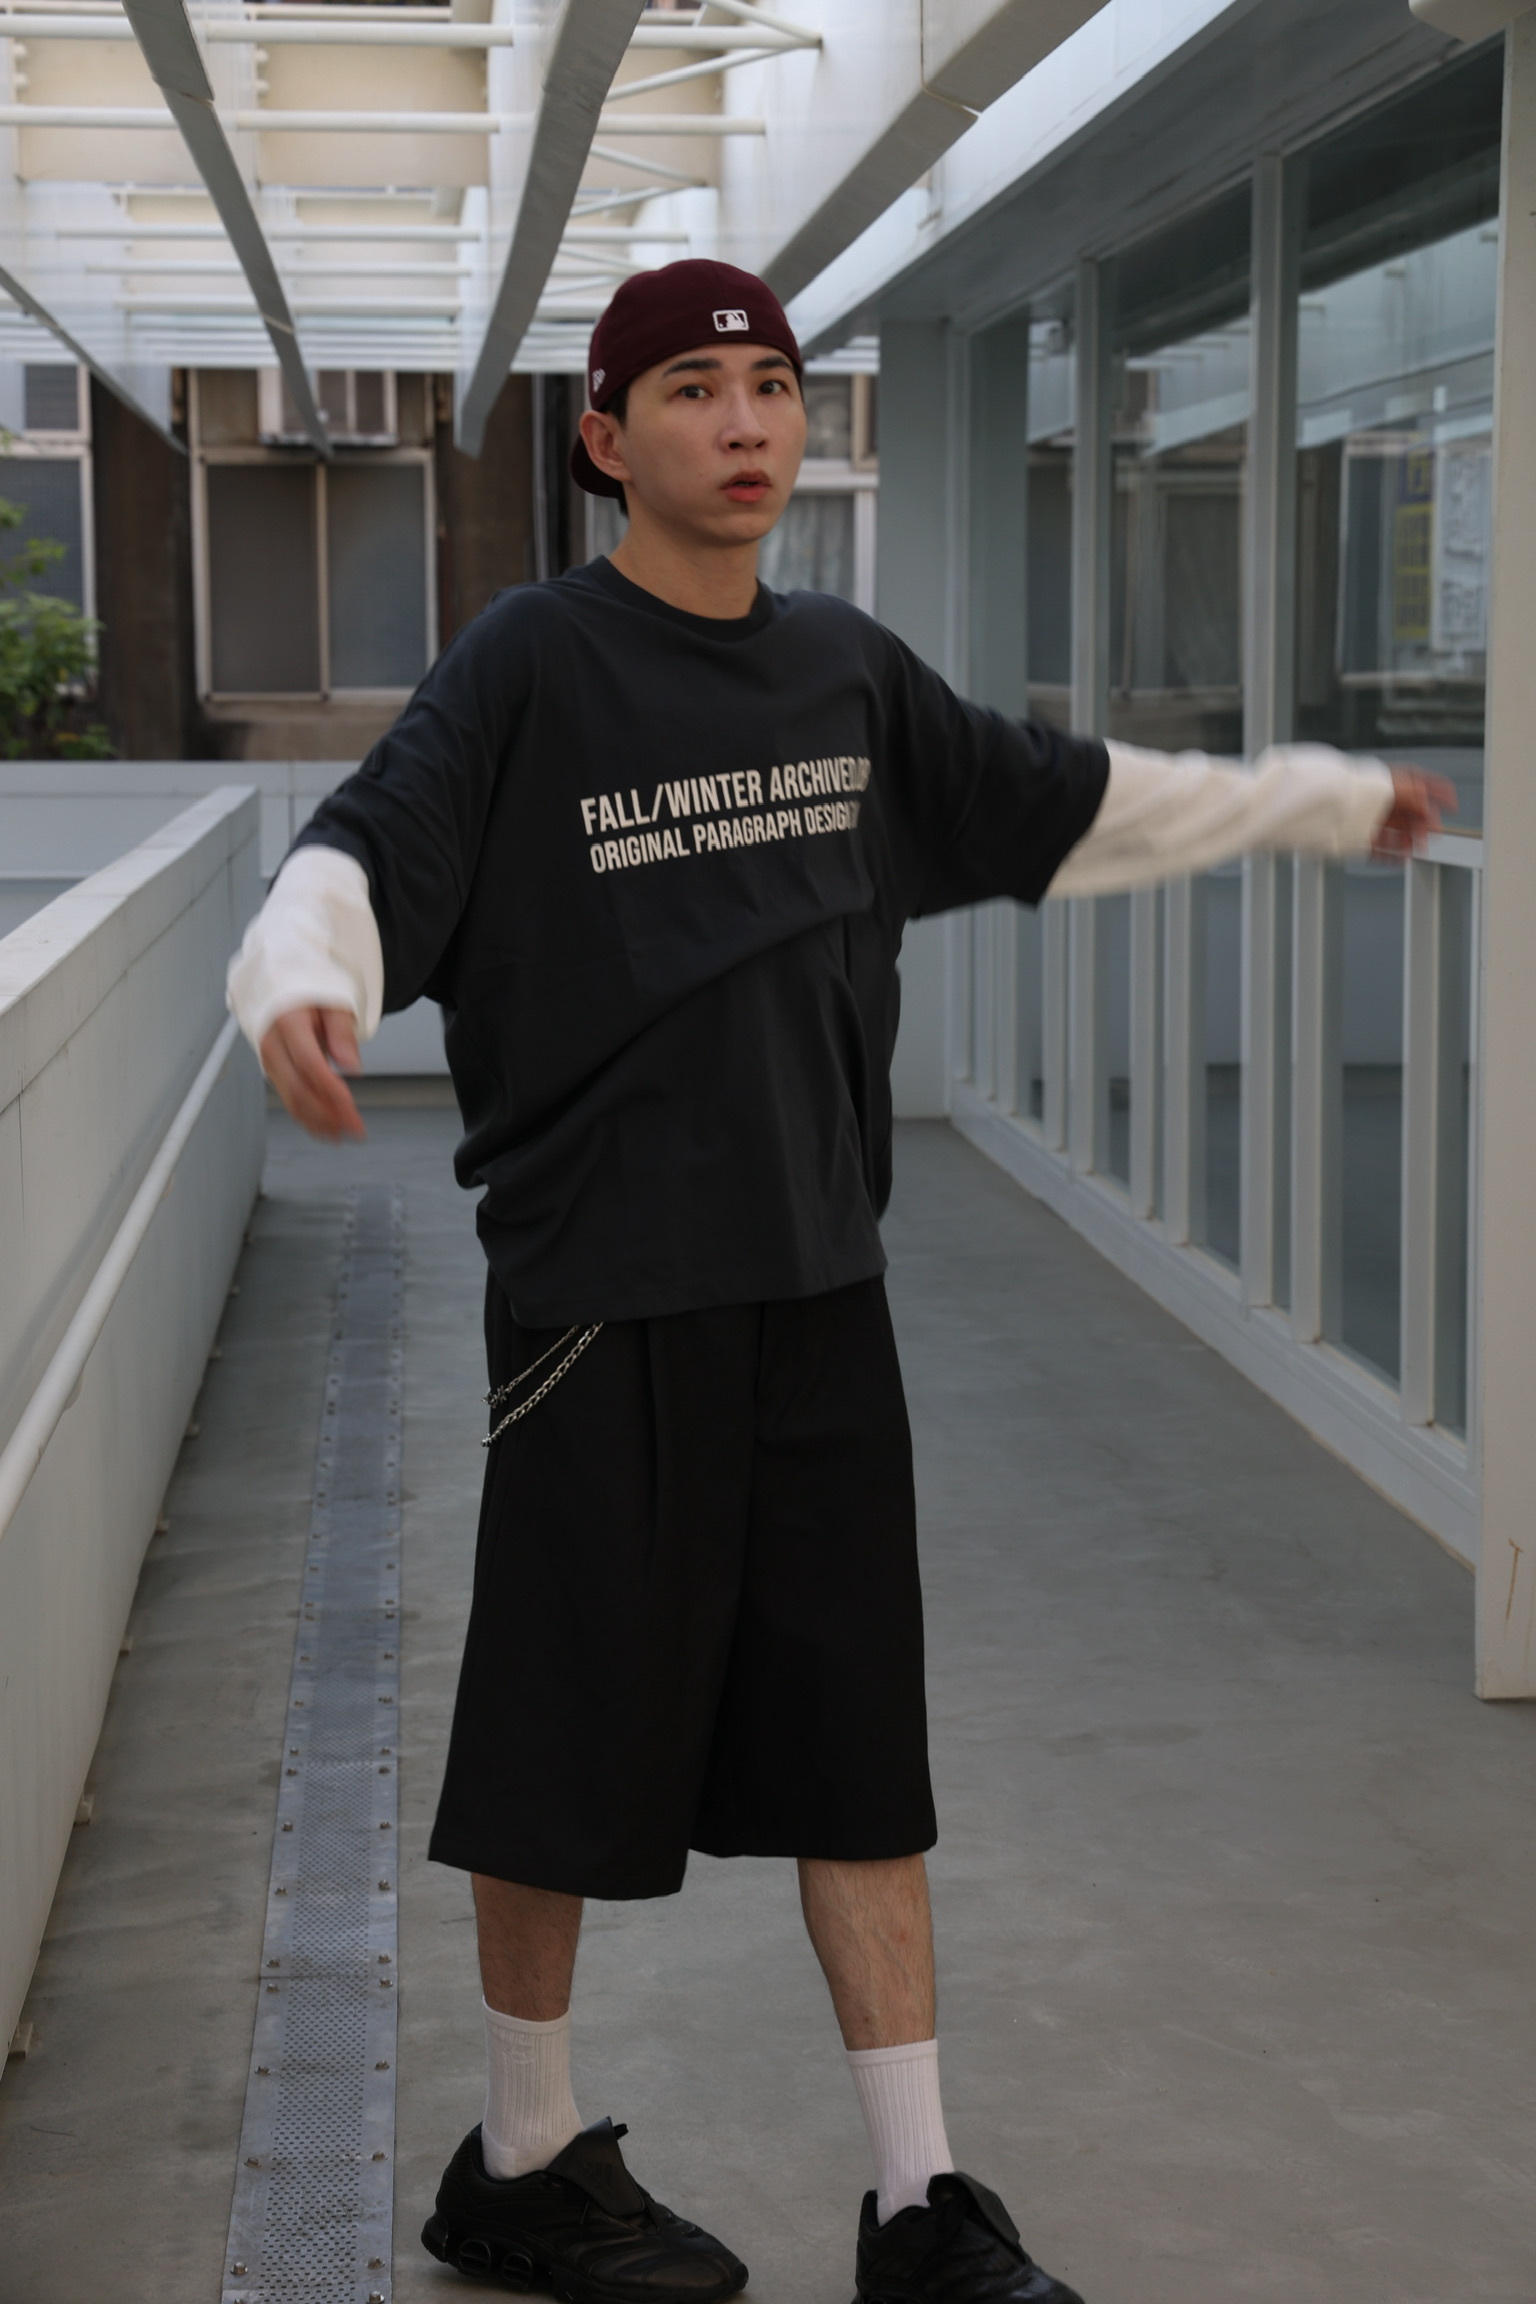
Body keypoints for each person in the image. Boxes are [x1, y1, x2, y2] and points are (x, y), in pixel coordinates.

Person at [228, 259, 1451, 2304]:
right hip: (602, 1299)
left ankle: (914, 2201)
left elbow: (1072, 800)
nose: (746, 422)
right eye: (694, 389)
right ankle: (521, 2158)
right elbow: (360, 849)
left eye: (775, 386)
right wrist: (301, 978)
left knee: (857, 1750)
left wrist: (1320, 800)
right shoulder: (533, 664)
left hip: (820, 1290)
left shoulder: (845, 675)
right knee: (562, 1747)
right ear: (606, 439)